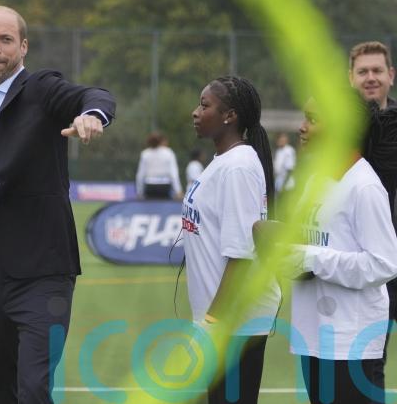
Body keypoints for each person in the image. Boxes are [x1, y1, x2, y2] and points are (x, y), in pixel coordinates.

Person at [0, 0, 115, 404]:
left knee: (33, 390)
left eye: (7, 39)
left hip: (44, 273)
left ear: (23, 47)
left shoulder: (40, 89)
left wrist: (93, 116)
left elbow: (92, 94)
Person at [285, 94, 397, 403]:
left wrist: (309, 258)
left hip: (351, 341)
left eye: (314, 119)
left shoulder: (365, 187)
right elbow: (309, 245)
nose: (302, 127)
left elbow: (384, 263)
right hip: (313, 334)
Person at [181, 75, 281, 404]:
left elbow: (241, 255)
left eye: (205, 105)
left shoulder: (237, 167)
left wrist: (211, 324)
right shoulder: (224, 162)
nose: (196, 112)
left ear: (230, 116)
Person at [348, 40, 397, 390]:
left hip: (392, 258)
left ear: (391, 75)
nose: (370, 77)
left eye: (377, 70)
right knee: (365, 364)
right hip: (357, 262)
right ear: (350, 78)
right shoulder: (337, 131)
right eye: (362, 71)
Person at [136, 131, 182, 199]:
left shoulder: (145, 154)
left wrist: (139, 192)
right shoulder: (168, 152)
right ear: (161, 141)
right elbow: (174, 174)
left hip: (150, 186)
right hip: (164, 187)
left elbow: (140, 175)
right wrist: (178, 191)